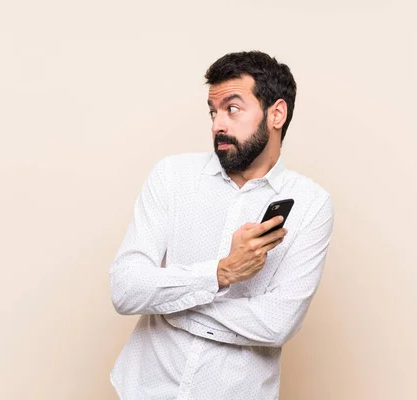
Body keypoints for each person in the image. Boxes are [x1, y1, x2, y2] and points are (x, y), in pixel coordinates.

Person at [109, 51, 334, 400]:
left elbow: (277, 323)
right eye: (213, 112)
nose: (218, 124)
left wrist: (173, 309)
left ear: (276, 114)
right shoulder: (172, 176)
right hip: (144, 389)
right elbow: (126, 289)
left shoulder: (311, 204)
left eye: (232, 109)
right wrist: (220, 272)